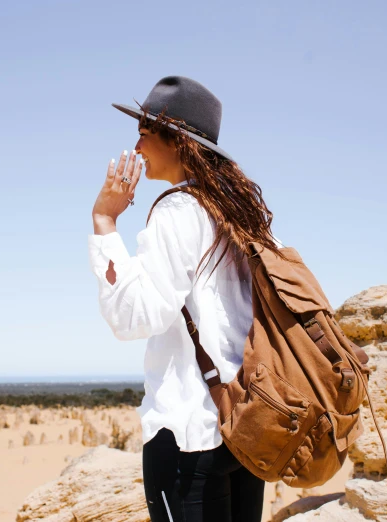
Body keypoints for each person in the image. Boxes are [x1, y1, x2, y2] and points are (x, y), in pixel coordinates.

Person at [88, 76, 284, 522]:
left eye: (143, 133)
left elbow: (133, 317)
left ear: (177, 141)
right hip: (244, 424)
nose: (135, 147)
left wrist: (104, 221)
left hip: (189, 432)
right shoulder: (236, 212)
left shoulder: (177, 211)